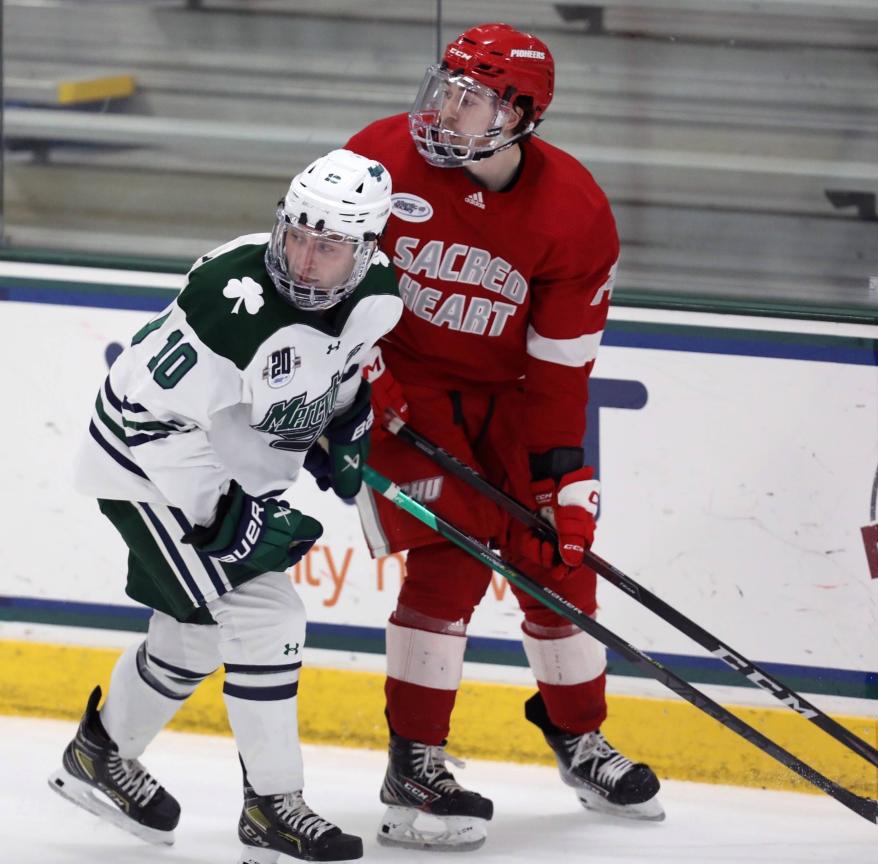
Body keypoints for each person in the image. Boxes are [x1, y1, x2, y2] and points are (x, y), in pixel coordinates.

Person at [345, 22, 664, 852]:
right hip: (402, 393)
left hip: (511, 401)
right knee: (451, 558)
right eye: (444, 87)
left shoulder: (575, 213)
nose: (445, 109)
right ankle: (414, 761)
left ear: (522, 114)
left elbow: (559, 376)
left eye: (472, 97)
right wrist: (362, 368)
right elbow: (318, 275)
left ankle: (577, 736)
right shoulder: (379, 158)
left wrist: (563, 484)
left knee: (557, 560)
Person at [50, 148, 402, 863]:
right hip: (149, 466)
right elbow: (148, 421)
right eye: (296, 236)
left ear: (365, 251)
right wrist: (218, 515)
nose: (303, 261)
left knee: (198, 632)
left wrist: (346, 427)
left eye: (328, 247)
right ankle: (273, 806)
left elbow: (335, 374)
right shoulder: (229, 298)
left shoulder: (377, 299)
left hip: (221, 465)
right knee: (265, 615)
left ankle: (99, 754)